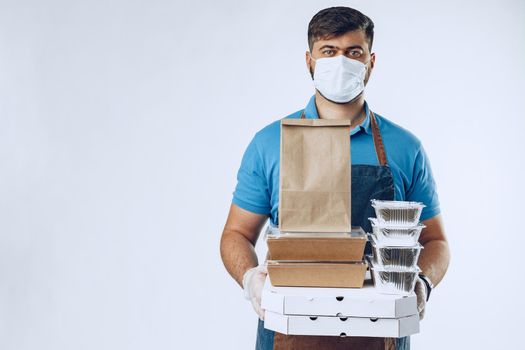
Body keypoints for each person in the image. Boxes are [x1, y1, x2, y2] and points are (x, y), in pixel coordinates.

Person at [220, 6, 450, 350]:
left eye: (353, 52)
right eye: (329, 51)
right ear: (309, 61)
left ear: (371, 62)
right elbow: (236, 234)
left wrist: (422, 282)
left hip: (381, 332)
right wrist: (251, 279)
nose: (341, 62)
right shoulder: (270, 143)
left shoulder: (405, 148)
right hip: (289, 332)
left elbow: (436, 242)